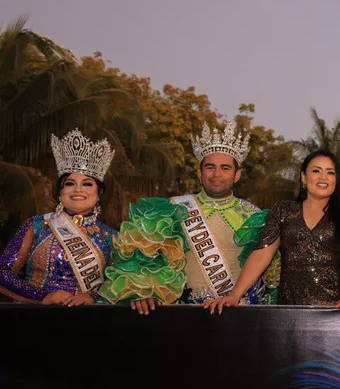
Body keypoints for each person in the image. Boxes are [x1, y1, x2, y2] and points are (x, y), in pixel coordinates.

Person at [99, 122, 279, 313]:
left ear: (237, 175)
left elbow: (270, 271)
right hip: (187, 314)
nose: (217, 174)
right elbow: (142, 259)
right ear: (200, 173)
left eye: (225, 168)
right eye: (210, 167)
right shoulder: (172, 209)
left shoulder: (255, 215)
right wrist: (142, 293)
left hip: (240, 313)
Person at [204, 150, 340, 320]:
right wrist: (234, 294)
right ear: (304, 178)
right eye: (316, 171)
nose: (323, 177)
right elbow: (262, 255)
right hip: (287, 312)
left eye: (330, 172)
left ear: (336, 180)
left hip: (333, 312)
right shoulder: (283, 210)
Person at [0, 129, 116, 305]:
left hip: (91, 322)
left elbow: (120, 285)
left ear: (99, 193)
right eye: (70, 183)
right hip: (34, 318)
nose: (78, 189)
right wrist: (41, 297)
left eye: (87, 184)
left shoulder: (111, 236)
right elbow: (2, 273)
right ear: (60, 192)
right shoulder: (37, 225)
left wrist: (93, 297)